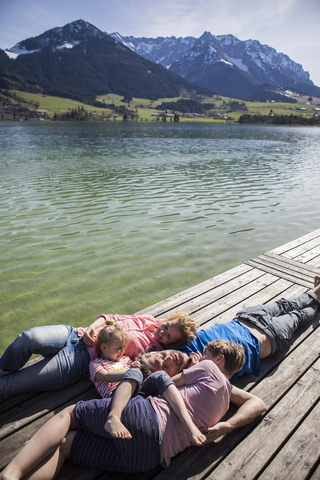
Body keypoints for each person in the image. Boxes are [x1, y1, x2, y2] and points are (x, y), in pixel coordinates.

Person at [0, 340, 266, 479]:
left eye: (206, 354)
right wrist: (228, 426)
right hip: (147, 458)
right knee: (66, 445)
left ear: (217, 359)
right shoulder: (225, 399)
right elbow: (259, 404)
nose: (200, 358)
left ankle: (11, 473)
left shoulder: (208, 368)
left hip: (146, 418)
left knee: (68, 414)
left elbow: (163, 382)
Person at [0, 310, 196, 402]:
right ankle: (3, 368)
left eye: (169, 336)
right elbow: (112, 318)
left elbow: (153, 373)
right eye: (167, 326)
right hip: (76, 335)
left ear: (172, 343)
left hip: (81, 360)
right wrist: (92, 328)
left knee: (9, 385)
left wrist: (190, 365)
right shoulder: (149, 320)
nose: (163, 332)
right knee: (28, 337)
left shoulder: (154, 352)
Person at [176, 275, 320, 381]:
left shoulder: (171, 347)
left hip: (247, 317)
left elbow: (158, 325)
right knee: (298, 316)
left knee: (286, 304)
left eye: (161, 355)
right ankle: (317, 297)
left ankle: (315, 293)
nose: (168, 359)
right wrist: (191, 374)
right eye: (165, 368)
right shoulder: (201, 373)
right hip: (269, 334)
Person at [89, 320, 140, 398]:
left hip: (135, 391)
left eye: (123, 347)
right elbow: (106, 376)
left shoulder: (125, 359)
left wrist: (145, 354)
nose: (122, 351)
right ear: (104, 347)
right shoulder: (96, 363)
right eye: (119, 348)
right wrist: (131, 372)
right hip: (116, 396)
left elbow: (137, 367)